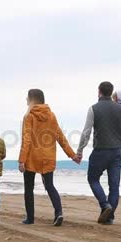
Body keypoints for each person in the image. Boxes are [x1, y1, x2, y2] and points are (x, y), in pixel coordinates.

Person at [18, 89, 80, 226]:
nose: (26, 100)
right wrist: (72, 155)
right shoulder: (51, 115)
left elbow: (27, 140)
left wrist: (22, 160)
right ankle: (59, 213)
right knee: (50, 186)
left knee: (29, 188)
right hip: (48, 157)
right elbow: (60, 137)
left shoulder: (29, 116)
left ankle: (30, 218)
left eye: (27, 98)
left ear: (32, 99)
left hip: (31, 157)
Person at [76, 82, 121, 225]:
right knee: (114, 186)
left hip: (100, 151)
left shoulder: (93, 109)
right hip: (117, 152)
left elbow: (86, 133)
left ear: (99, 92)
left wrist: (79, 150)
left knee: (93, 179)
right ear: (111, 92)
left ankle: (105, 205)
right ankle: (109, 217)